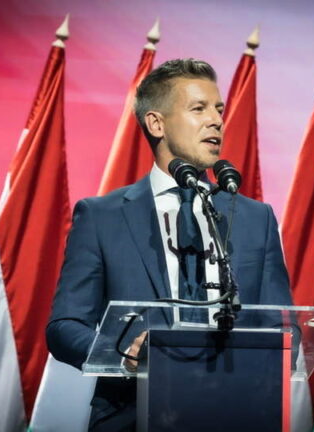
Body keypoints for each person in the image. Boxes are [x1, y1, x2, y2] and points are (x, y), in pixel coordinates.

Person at [46, 58, 292, 431]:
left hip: (235, 414)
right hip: (133, 415)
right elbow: (65, 325)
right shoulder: (101, 217)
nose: (216, 120)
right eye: (199, 108)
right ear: (156, 124)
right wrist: (123, 353)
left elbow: (283, 326)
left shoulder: (256, 218)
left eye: (218, 109)